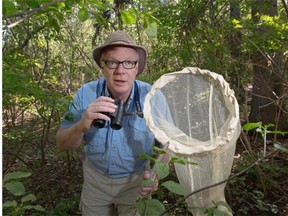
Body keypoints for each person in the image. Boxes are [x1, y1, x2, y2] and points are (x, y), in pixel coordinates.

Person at [56, 30, 162, 216]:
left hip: (136, 181)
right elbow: (61, 143)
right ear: (102, 67)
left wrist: (156, 173)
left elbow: (169, 144)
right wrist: (82, 124)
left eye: (128, 63)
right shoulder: (85, 94)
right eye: (112, 62)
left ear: (137, 68)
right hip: (95, 180)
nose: (120, 71)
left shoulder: (152, 97)